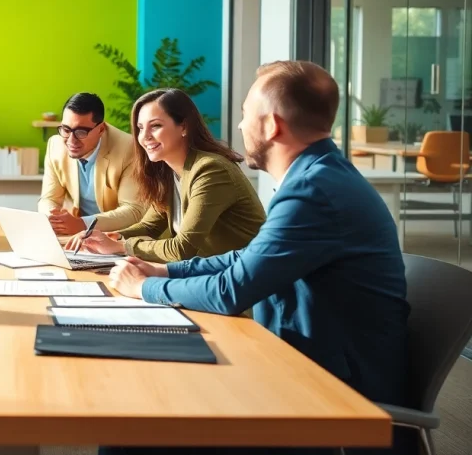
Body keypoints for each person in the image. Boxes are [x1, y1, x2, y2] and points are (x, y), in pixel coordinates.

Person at [102, 61, 411, 455]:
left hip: (325, 393)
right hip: (297, 364)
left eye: (246, 115)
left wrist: (146, 287)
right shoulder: (318, 177)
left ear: (271, 126)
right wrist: (165, 269)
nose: (240, 126)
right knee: (145, 401)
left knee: (133, 431)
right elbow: (246, 258)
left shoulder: (313, 192)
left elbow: (234, 290)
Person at [66, 89, 264, 262]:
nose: (144, 137)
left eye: (156, 126)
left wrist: (121, 247)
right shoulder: (168, 171)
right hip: (209, 277)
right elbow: (149, 226)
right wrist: (105, 237)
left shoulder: (211, 170)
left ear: (184, 126)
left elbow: (182, 248)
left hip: (245, 286)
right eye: (141, 128)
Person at [39, 92, 145, 235]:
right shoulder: (56, 145)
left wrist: (83, 224)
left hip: (115, 237)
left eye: (81, 132)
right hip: (74, 236)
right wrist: (51, 217)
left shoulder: (129, 148)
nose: (71, 141)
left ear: (100, 129)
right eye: (66, 129)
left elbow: (133, 211)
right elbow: (49, 198)